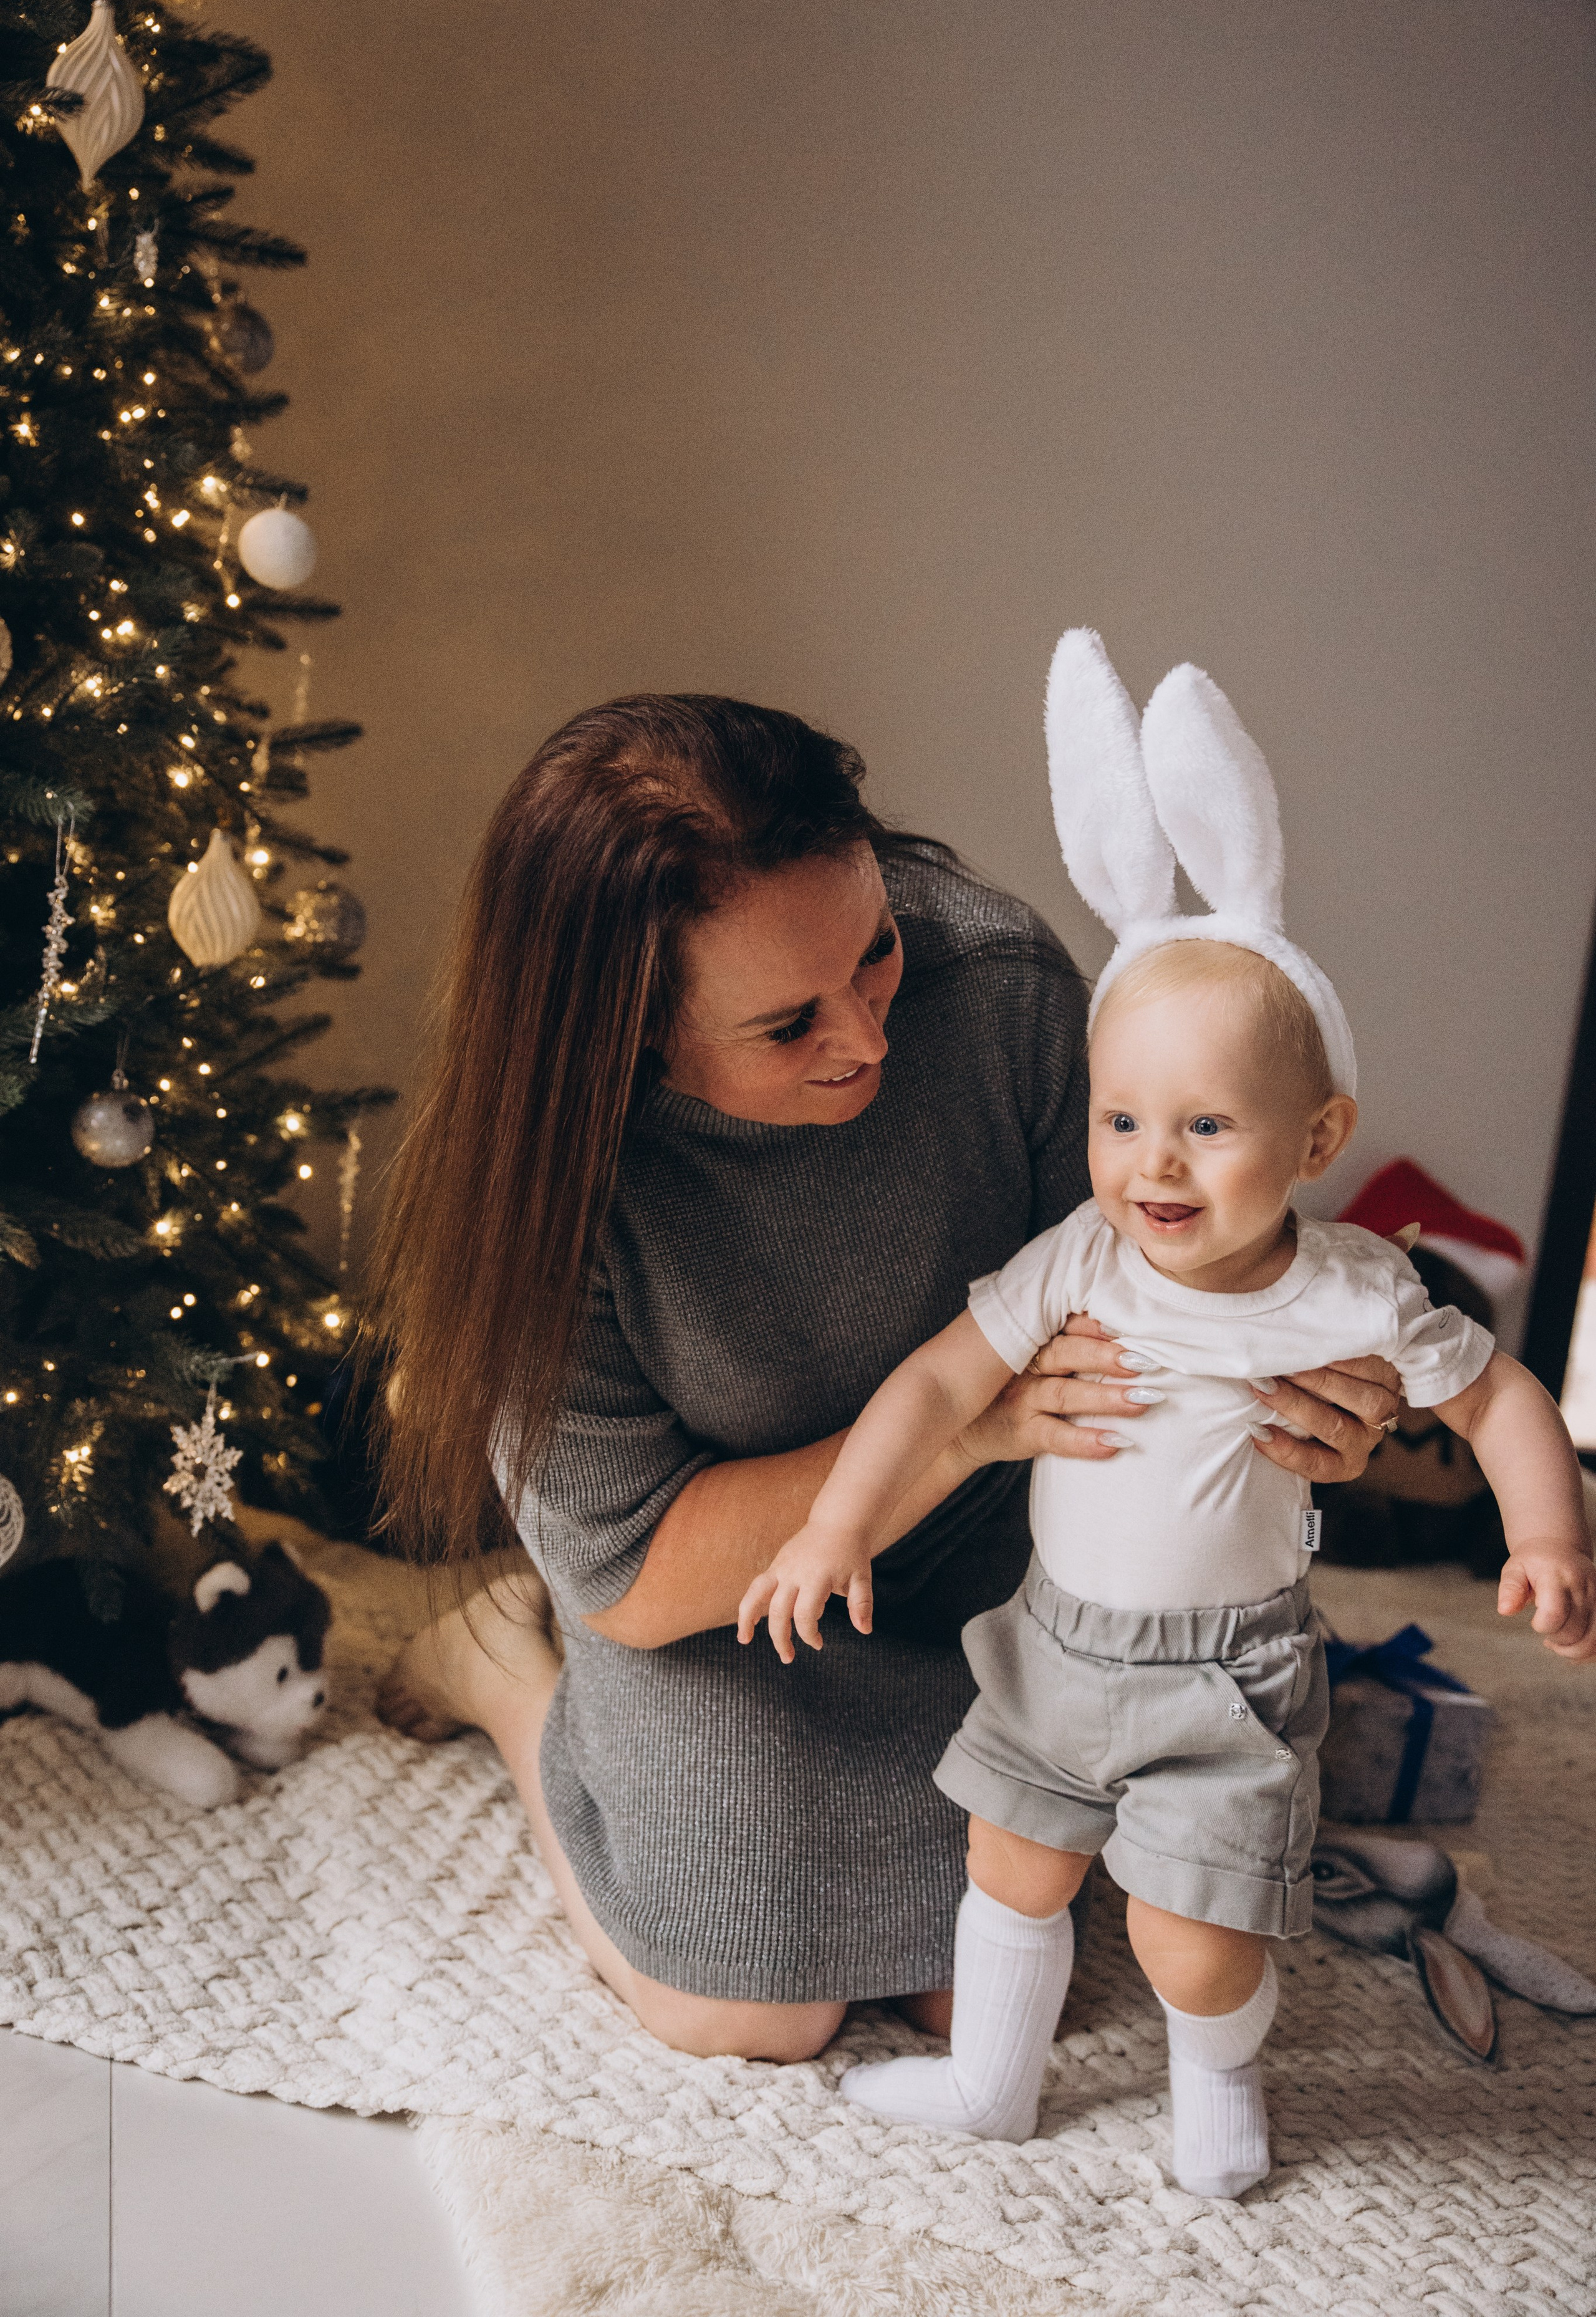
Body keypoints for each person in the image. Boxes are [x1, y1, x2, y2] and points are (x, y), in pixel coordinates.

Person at [372, 689, 1403, 2063]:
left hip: (999, 1572)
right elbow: (635, 1578)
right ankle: (512, 1672)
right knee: (747, 2011)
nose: (865, 1036)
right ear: (630, 1036)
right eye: (785, 1026)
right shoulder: (551, 1171)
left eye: (874, 953)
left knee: (989, 1990)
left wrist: (1315, 1386)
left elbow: (1175, 1265)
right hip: (730, 1604)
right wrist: (962, 1429)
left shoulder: (998, 989)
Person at [737, 635, 1596, 2190]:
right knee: (1009, 1868)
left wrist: (1542, 1533)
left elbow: (1496, 1396)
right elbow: (936, 1381)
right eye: (1122, 1119)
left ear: (1315, 1139)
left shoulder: (1348, 1290)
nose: (1154, 1164)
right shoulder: (1081, 1255)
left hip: (1226, 1672)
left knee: (1190, 1937)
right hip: (1055, 1643)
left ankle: (1218, 2086)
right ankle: (991, 2086)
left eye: (1206, 1126)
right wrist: (832, 1527)